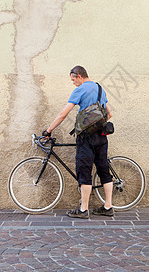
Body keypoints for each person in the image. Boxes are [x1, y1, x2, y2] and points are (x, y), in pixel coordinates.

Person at [43, 65, 114, 219]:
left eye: (73, 80)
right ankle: (108, 207)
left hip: (86, 138)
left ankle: (83, 210)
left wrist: (48, 130)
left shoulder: (80, 90)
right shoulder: (99, 88)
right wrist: (97, 125)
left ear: (79, 76)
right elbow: (110, 113)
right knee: (104, 171)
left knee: (84, 171)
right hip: (101, 136)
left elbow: (63, 114)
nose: (73, 83)